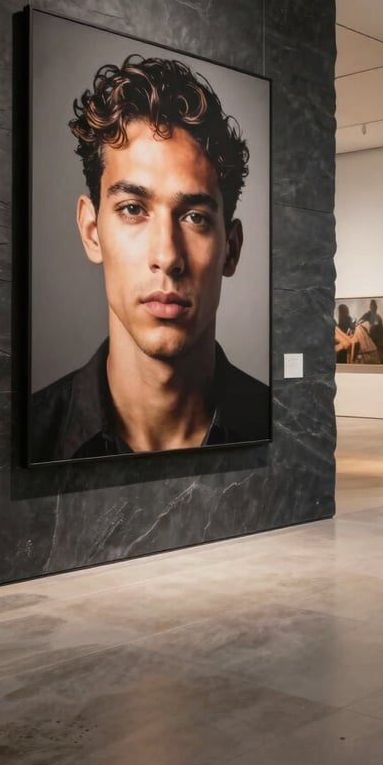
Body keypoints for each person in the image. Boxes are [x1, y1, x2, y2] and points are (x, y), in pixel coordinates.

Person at [30, 54, 270, 462]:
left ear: (230, 249)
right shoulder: (27, 434)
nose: (167, 256)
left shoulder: (279, 422)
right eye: (133, 209)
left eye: (194, 217)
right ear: (92, 232)